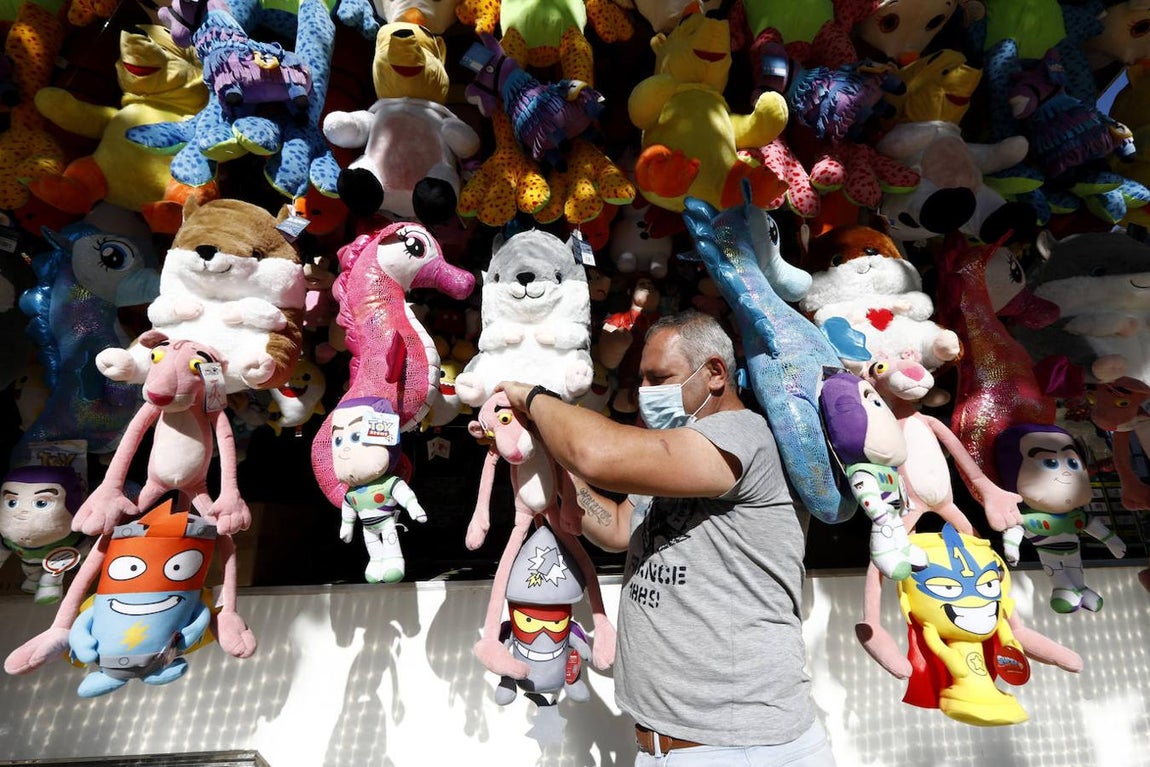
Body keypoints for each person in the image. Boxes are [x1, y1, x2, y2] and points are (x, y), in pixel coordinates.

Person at [496, 310, 835, 766]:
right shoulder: (679, 447)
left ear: (715, 373)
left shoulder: (740, 435)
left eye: (660, 378)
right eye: (642, 380)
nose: (646, 394)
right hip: (668, 745)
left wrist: (532, 398)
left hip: (740, 748)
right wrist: (546, 458)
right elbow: (617, 527)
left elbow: (595, 454)